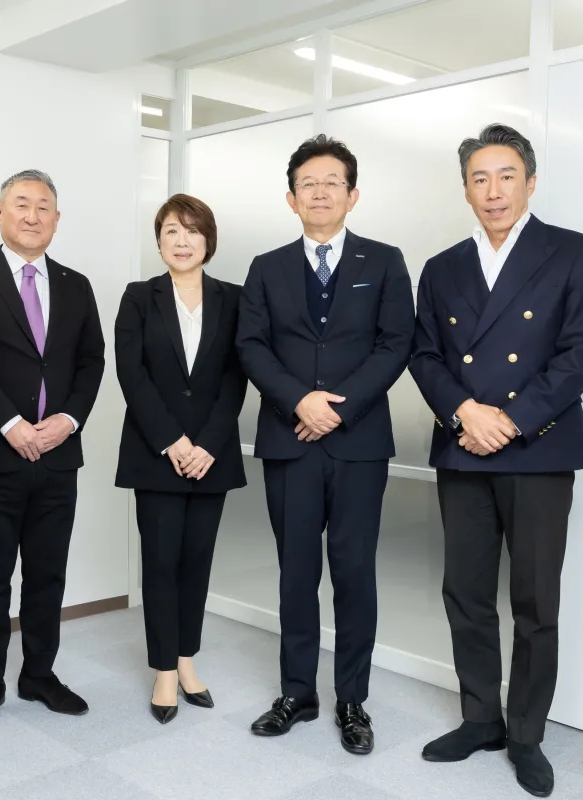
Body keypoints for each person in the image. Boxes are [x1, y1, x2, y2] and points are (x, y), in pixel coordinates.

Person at [409, 123, 583, 798]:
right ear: (465, 189)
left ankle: (526, 734)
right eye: (479, 178)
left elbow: (578, 355)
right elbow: (424, 354)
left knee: (534, 599)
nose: (493, 191)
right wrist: (466, 413)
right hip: (463, 447)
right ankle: (480, 719)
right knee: (465, 592)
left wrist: (511, 421)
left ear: (530, 181)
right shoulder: (442, 267)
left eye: (506, 176)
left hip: (538, 447)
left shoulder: (574, 252)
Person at [236, 134, 415, 755]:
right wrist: (299, 402)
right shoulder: (266, 267)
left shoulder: (385, 261)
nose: (319, 192)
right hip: (289, 441)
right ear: (291, 198)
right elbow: (251, 345)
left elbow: (396, 343)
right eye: (307, 184)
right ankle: (297, 693)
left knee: (354, 572)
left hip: (358, 443)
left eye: (331, 182)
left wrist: (335, 409)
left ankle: (353, 700)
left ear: (352, 195)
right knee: (295, 573)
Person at [0, 169, 105, 731]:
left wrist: (68, 420)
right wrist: (11, 424)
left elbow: (91, 361)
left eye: (43, 207)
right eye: (21, 204)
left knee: (47, 573)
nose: (32, 216)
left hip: (58, 453)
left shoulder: (76, 285)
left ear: (56, 220)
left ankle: (39, 673)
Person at [114, 194, 248, 724]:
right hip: (157, 454)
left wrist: (208, 444)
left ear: (208, 240)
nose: (182, 240)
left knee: (197, 562)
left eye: (192, 230)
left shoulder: (233, 299)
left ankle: (187, 659)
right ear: (159, 241)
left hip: (212, 455)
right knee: (161, 562)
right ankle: (164, 669)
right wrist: (173, 441)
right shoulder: (138, 297)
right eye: (172, 230)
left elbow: (237, 375)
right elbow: (131, 374)